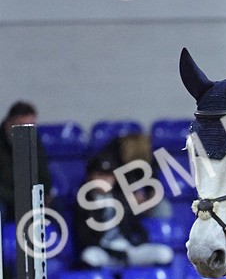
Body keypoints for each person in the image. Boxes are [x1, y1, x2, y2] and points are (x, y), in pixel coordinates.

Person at [73, 135, 173, 269]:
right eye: (100, 175)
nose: (104, 180)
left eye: (108, 176)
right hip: (105, 253)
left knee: (164, 253)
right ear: (90, 177)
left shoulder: (122, 199)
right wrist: (112, 252)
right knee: (89, 256)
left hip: (127, 250)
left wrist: (138, 242)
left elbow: (136, 227)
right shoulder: (84, 203)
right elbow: (84, 238)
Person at [0, 101, 52, 222]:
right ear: (9, 123)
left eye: (31, 126)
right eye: (22, 126)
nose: (27, 131)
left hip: (30, 195)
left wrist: (44, 194)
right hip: (7, 198)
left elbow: (43, 172)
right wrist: (19, 198)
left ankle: (58, 240)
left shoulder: (33, 140)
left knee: (57, 206)